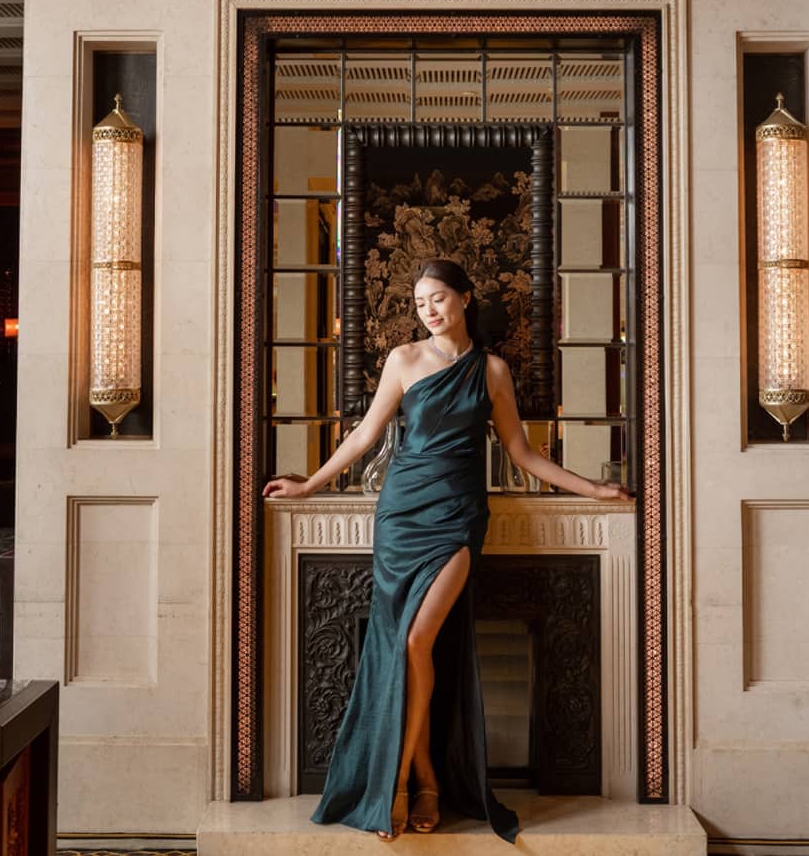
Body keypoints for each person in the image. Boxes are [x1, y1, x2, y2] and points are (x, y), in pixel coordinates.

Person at [262, 258, 632, 842]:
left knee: (417, 639)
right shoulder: (403, 361)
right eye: (419, 304)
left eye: (438, 298)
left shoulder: (492, 371)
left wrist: (597, 488)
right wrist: (309, 484)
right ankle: (419, 774)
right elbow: (364, 435)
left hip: (458, 516)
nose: (429, 310)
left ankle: (410, 779)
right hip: (402, 513)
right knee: (404, 645)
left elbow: (524, 455)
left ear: (464, 297)